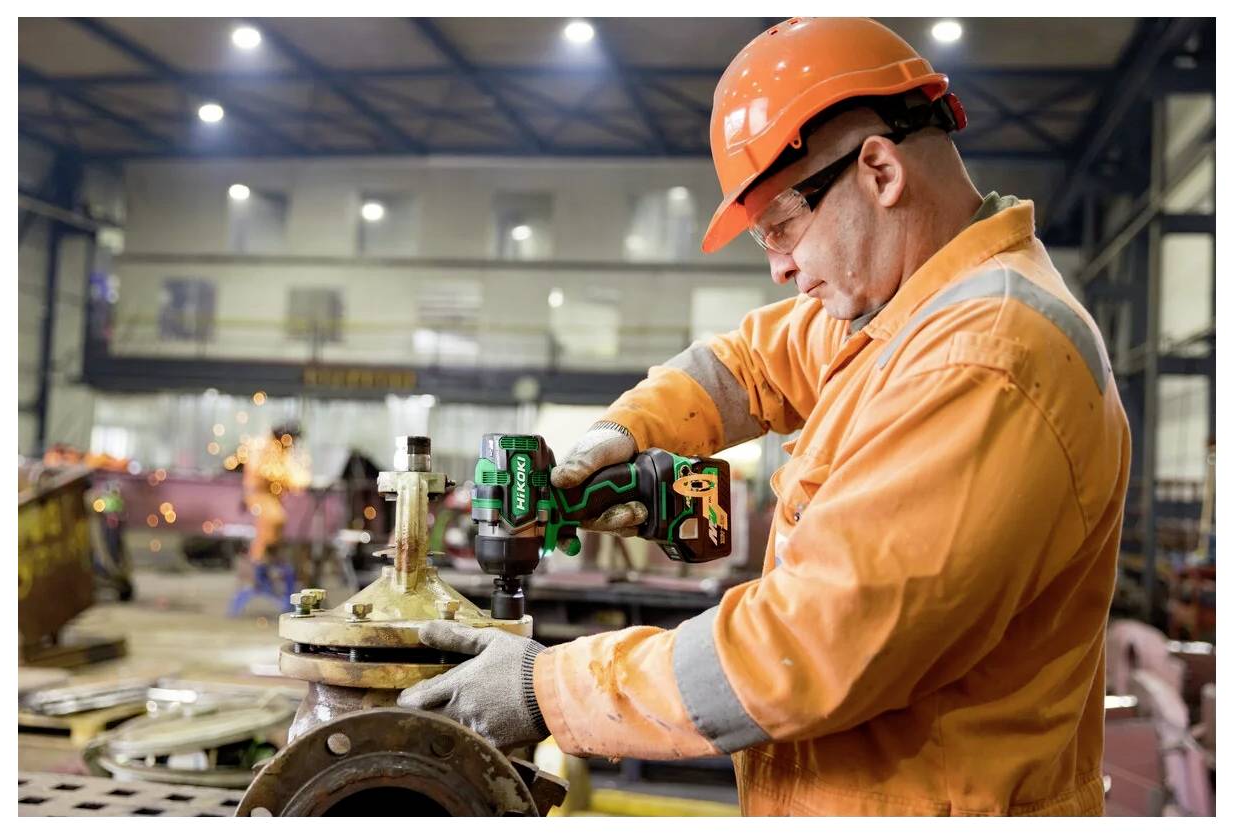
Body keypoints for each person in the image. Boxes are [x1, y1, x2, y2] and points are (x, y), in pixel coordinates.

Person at [400, 17, 1131, 816]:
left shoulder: (985, 357)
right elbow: (748, 363)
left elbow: (806, 648)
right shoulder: (901, 310)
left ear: (880, 170)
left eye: (783, 226)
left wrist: (546, 688)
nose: (781, 267)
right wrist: (625, 434)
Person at [229, 421, 310, 615]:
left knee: (278, 522)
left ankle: (270, 554)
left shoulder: (280, 449)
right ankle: (259, 560)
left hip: (270, 496)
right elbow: (264, 471)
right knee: (274, 519)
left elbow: (290, 475)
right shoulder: (263, 447)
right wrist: (283, 478)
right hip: (258, 494)